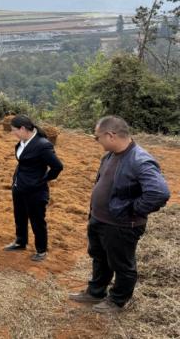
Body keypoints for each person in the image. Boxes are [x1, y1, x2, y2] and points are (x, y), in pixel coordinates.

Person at [68, 116, 170, 313]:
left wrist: (132, 209)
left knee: (122, 264)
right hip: (100, 219)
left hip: (121, 225)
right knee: (100, 257)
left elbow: (159, 193)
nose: (97, 141)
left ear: (111, 135)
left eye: (97, 137)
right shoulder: (110, 155)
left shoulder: (140, 160)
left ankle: (117, 300)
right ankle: (96, 292)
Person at [4, 115, 63, 261]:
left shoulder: (43, 145)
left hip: (35, 191)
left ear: (23, 128)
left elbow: (57, 166)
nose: (13, 133)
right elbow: (23, 162)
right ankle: (20, 242)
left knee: (37, 220)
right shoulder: (22, 142)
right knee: (19, 216)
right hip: (19, 187)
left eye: (14, 130)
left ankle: (41, 250)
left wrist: (42, 180)